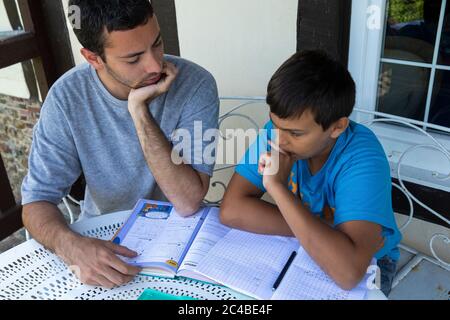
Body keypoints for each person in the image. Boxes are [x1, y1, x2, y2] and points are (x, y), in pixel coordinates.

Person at [21, 0, 219, 289]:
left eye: (157, 43)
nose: (154, 64)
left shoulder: (196, 84)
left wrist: (139, 112)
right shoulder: (66, 98)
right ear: (93, 58)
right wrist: (71, 246)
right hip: (102, 236)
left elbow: (187, 201)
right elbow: (36, 200)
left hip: (180, 238)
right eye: (133, 58)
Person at [220, 50, 402, 297]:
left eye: (296, 134)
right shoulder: (279, 134)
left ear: (337, 127)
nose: (281, 141)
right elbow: (231, 210)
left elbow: (348, 273)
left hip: (373, 265)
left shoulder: (362, 157)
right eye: (274, 125)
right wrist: (323, 229)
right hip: (307, 247)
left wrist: (277, 188)